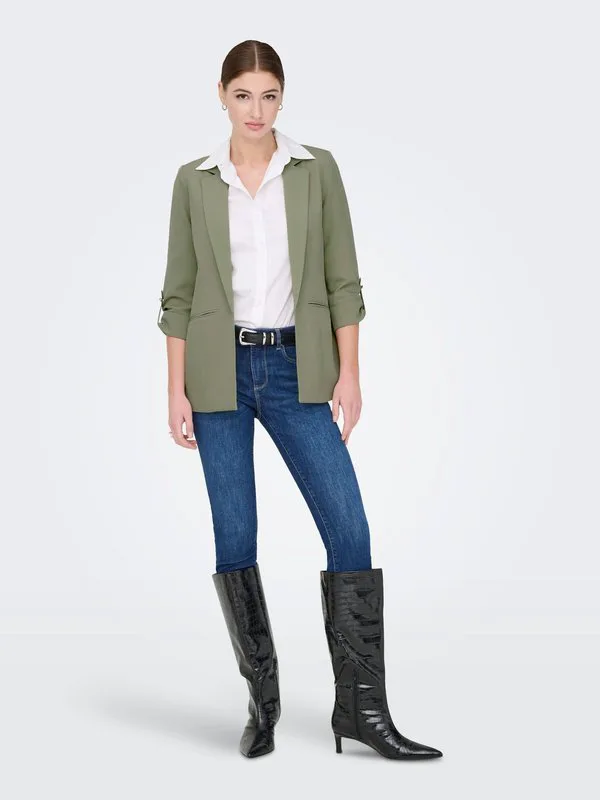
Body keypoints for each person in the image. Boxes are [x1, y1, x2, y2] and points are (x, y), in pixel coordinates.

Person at [157, 39, 443, 762]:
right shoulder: (195, 181)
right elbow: (178, 293)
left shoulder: (316, 171)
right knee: (235, 536)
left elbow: (343, 278)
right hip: (217, 374)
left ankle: (362, 711)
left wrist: (351, 374)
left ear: (282, 98)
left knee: (349, 529)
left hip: (296, 368)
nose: (256, 110)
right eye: (243, 95)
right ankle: (264, 704)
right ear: (221, 96)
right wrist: (175, 388)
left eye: (269, 95)